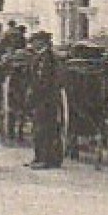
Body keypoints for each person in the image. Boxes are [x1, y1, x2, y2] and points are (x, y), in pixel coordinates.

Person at [26, 31, 65, 169]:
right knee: (40, 128)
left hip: (45, 98)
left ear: (42, 42)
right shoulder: (41, 56)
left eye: (35, 41)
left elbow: (44, 80)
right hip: (43, 97)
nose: (33, 44)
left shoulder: (47, 57)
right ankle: (41, 158)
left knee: (44, 129)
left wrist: (35, 94)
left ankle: (45, 159)